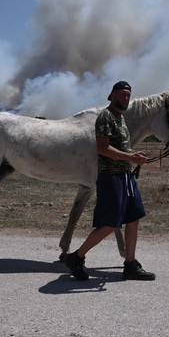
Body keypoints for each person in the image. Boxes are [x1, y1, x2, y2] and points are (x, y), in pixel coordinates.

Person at [63, 81, 156, 281]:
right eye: (122, 94)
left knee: (133, 218)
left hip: (125, 176)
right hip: (111, 177)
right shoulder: (105, 117)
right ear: (112, 95)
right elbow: (102, 148)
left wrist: (133, 154)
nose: (125, 98)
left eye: (128, 95)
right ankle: (76, 257)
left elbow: (119, 146)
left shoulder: (120, 118)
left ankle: (130, 264)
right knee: (111, 224)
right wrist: (130, 158)